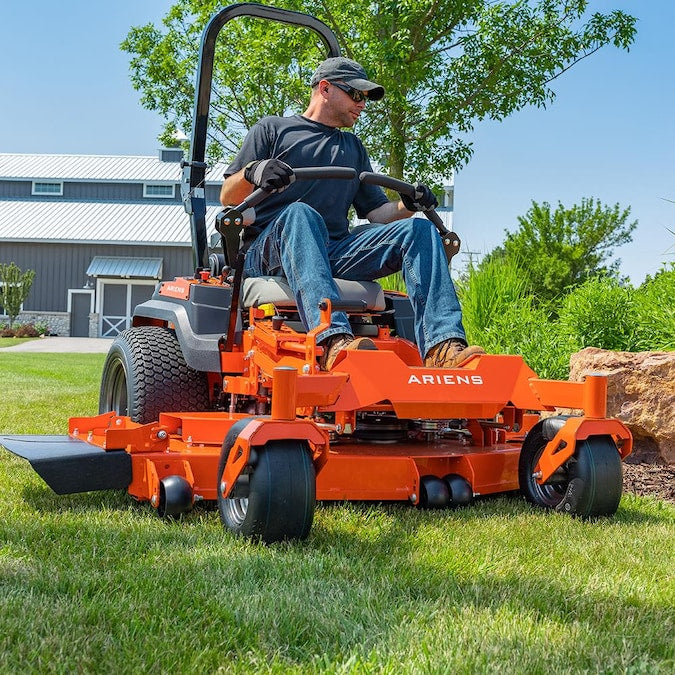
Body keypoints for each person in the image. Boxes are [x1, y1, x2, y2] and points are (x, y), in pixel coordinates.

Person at [220, 56, 483, 370]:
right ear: (326, 89)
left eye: (365, 97)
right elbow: (227, 196)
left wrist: (408, 205)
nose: (362, 104)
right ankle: (334, 341)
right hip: (270, 252)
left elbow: (377, 213)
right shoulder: (273, 129)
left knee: (420, 230)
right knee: (301, 214)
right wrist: (254, 170)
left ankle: (443, 348)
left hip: (332, 252)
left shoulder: (353, 148)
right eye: (356, 95)